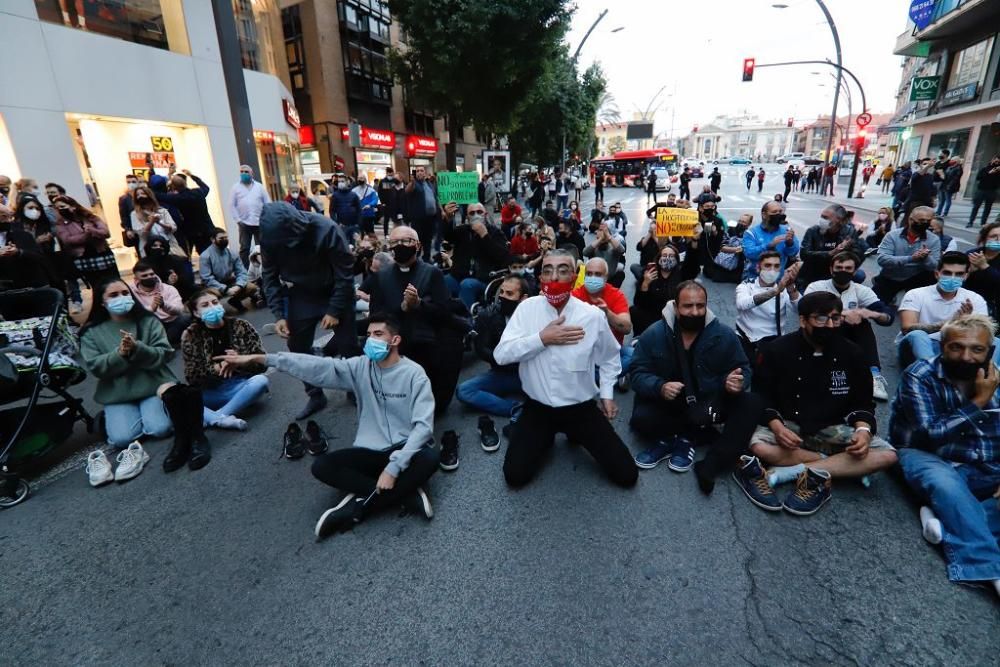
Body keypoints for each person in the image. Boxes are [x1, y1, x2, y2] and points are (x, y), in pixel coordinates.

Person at [215, 313, 440, 538]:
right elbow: (316, 366)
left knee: (430, 458)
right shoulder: (360, 367)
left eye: (378, 334)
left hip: (405, 449)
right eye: (369, 334)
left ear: (395, 340)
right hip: (370, 450)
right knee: (321, 466)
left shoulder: (414, 374)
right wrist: (260, 358)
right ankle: (407, 496)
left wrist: (393, 468)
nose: (371, 339)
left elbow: (423, 428)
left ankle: (357, 508)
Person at [741, 291, 897, 514]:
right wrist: (776, 426)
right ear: (803, 320)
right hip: (789, 424)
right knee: (758, 447)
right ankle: (838, 465)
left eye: (836, 318)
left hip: (831, 427)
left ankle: (792, 471)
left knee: (887, 455)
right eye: (821, 318)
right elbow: (762, 396)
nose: (830, 325)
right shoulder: (777, 350)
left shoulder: (853, 353)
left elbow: (863, 403)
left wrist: (863, 432)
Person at [493, 249, 637, 489]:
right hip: (538, 408)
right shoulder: (527, 309)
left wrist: (607, 394)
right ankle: (545, 438)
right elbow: (501, 355)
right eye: (547, 270)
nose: (554, 277)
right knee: (514, 476)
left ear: (573, 277)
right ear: (540, 278)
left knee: (627, 475)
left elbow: (611, 357)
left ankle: (574, 433)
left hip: (580, 408)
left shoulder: (591, 316)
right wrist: (541, 338)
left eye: (562, 270)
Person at [889, 313, 1000, 598]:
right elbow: (929, 434)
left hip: (982, 462)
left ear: (990, 351)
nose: (966, 357)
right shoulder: (920, 375)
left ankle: (945, 518)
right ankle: (990, 568)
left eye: (977, 349)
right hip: (926, 455)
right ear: (942, 347)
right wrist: (979, 401)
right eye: (956, 347)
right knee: (946, 485)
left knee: (959, 498)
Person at [630, 281, 763, 493]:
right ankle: (689, 436)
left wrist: (736, 383)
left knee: (752, 402)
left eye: (700, 306)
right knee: (641, 420)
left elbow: (743, 369)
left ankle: (710, 463)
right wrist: (660, 386)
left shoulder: (724, 335)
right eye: (688, 306)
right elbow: (636, 373)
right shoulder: (654, 334)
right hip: (669, 403)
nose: (695, 312)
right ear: (675, 307)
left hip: (708, 403)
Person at [79, 278, 210, 475]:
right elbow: (96, 367)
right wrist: (120, 354)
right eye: (113, 295)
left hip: (153, 385)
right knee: (123, 439)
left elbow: (165, 354)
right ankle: (114, 417)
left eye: (125, 293)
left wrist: (138, 348)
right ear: (101, 302)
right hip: (118, 392)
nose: (121, 298)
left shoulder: (148, 321)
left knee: (160, 429)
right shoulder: (91, 332)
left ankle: (169, 426)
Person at [260, 202, 358, 420]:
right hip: (302, 294)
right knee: (297, 346)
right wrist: (279, 315)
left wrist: (334, 310)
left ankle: (355, 388)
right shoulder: (269, 238)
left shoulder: (327, 229)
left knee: (348, 344)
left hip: (334, 290)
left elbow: (345, 275)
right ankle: (315, 394)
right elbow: (269, 277)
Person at [363, 225, 462, 419]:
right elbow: (376, 314)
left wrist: (418, 304)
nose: (400, 245)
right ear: (389, 246)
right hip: (396, 339)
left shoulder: (432, 273)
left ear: (416, 245)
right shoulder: (382, 276)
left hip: (427, 338)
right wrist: (400, 311)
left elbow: (444, 312)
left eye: (406, 241)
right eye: (395, 242)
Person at [805, 251, 895, 401]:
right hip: (819, 335)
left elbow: (887, 316)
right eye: (839, 267)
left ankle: (874, 375)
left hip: (848, 338)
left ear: (854, 271)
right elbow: (807, 310)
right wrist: (845, 314)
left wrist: (872, 314)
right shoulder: (817, 287)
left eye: (848, 268)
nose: (843, 271)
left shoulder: (861, 291)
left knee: (863, 323)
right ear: (831, 269)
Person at [181, 288, 270, 431]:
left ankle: (215, 417)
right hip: (211, 391)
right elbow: (192, 376)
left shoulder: (241, 325)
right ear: (196, 313)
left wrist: (240, 361)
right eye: (205, 305)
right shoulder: (191, 334)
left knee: (261, 381)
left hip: (239, 386)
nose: (212, 307)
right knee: (180, 396)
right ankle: (221, 418)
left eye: (215, 302)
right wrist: (215, 369)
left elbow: (262, 363)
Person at [896, 251, 996, 367]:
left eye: (959, 274)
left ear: (965, 276)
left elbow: (984, 333)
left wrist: (969, 323)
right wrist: (952, 323)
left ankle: (989, 376)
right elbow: (907, 328)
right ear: (937, 274)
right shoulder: (916, 294)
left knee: (996, 341)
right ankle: (930, 375)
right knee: (917, 335)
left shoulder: (975, 299)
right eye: (947, 273)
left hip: (956, 347)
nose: (952, 278)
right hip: (921, 344)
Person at [456, 276, 528, 428]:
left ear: (522, 299)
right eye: (501, 292)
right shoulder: (489, 314)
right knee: (465, 391)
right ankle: (516, 408)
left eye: (509, 294)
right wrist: (504, 359)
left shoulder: (533, 316)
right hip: (501, 372)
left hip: (528, 373)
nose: (502, 296)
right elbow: (482, 350)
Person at [440, 201, 510, 309]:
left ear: (485, 215)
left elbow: (503, 257)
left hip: (483, 279)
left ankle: (465, 320)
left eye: (479, 212)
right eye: (472, 213)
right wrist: (448, 218)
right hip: (459, 276)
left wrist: (484, 236)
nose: (476, 215)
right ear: (467, 217)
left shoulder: (495, 233)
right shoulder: (463, 230)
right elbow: (447, 235)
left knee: (467, 284)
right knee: (443, 280)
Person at [573, 257, 633, 380]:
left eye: (598, 274)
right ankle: (608, 376)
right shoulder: (576, 295)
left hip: (610, 351)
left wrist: (607, 312)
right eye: (589, 274)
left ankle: (594, 376)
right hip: (585, 351)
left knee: (635, 356)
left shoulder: (616, 295)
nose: (593, 277)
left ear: (606, 277)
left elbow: (626, 327)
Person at [734, 252, 801, 364]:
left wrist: (791, 289)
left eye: (776, 266)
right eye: (767, 265)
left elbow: (801, 309)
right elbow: (742, 304)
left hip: (772, 341)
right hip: (746, 338)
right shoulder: (746, 286)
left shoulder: (784, 290)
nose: (772, 270)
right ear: (758, 268)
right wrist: (775, 291)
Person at [873, 205, 940, 305]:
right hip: (891, 276)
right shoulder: (892, 236)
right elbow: (882, 260)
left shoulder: (933, 239)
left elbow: (934, 266)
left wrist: (926, 258)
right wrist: (910, 258)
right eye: (921, 220)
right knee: (875, 306)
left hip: (916, 277)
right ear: (910, 220)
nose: (924, 223)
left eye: (928, 221)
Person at [631, 243, 700, 336]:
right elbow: (638, 302)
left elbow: (692, 264)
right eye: (664, 255)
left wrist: (694, 243)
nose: (667, 258)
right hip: (654, 316)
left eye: (671, 256)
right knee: (634, 310)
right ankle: (641, 337)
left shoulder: (682, 274)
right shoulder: (650, 273)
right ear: (659, 258)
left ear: (676, 259)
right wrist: (645, 284)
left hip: (675, 316)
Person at [51, 194, 119, 289]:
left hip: (102, 253)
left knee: (115, 281)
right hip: (84, 257)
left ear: (73, 206)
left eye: (62, 206)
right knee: (97, 286)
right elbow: (67, 240)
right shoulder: (60, 224)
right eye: (57, 208)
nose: (60, 209)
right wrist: (86, 235)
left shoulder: (91, 217)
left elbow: (106, 232)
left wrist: (92, 230)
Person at [797, 204, 866, 288]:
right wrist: (830, 253)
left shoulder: (849, 232)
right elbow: (804, 254)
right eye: (821, 217)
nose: (822, 220)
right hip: (814, 269)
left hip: (836, 269)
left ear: (839, 220)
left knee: (859, 275)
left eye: (825, 218)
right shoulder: (813, 231)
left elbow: (857, 256)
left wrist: (846, 251)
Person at [129, 261, 190, 346]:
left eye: (151, 274)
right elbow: (132, 313)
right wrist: (151, 309)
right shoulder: (131, 292)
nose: (149, 277)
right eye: (144, 276)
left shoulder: (168, 289)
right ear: (136, 279)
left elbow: (179, 310)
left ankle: (163, 342)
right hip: (150, 325)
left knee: (185, 317)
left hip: (171, 322)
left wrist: (164, 305)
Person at [158, 170, 215, 254]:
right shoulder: (198, 193)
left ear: (173, 187)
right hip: (207, 228)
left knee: (191, 253)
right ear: (185, 183)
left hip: (192, 231)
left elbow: (160, 196)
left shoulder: (178, 198)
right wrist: (191, 175)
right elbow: (205, 187)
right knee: (211, 252)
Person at [741, 201, 800, 282]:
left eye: (780, 211)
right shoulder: (751, 233)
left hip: (778, 281)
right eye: (774, 212)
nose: (778, 214)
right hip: (755, 280)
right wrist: (769, 245)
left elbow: (793, 253)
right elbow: (749, 253)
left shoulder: (786, 229)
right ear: (764, 215)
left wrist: (790, 243)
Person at [229, 165, 270, 267]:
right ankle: (245, 270)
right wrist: (238, 220)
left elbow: (268, 203)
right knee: (244, 248)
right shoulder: (235, 188)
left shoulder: (259, 187)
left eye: (246, 172)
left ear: (252, 174)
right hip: (244, 223)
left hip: (259, 222)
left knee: (262, 246)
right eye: (242, 172)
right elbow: (231, 205)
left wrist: (266, 218)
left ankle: (263, 268)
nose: (244, 174)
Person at [130, 184, 185, 258]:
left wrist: (160, 223)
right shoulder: (134, 214)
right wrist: (151, 222)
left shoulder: (162, 211)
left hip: (170, 247)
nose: (140, 196)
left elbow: (173, 228)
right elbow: (141, 233)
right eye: (138, 195)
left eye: (143, 194)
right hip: (149, 250)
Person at [965, 221, 1000, 319]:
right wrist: (970, 271)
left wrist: (985, 267)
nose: (998, 239)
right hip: (968, 300)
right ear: (984, 238)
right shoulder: (972, 254)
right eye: (994, 236)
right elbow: (957, 279)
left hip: (993, 305)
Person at [404, 166, 439, 261]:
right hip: (418, 219)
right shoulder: (414, 184)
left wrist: (441, 211)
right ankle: (415, 259)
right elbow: (407, 191)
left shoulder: (429, 184)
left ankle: (427, 258)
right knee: (418, 240)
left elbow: (435, 198)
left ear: (425, 173)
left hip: (430, 218)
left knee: (428, 239)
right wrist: (412, 181)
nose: (419, 172)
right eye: (417, 171)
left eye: (421, 171)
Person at [583, 221, 626, 288]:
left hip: (609, 279)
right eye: (599, 230)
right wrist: (600, 239)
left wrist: (608, 236)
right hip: (595, 278)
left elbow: (622, 250)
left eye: (602, 230)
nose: (599, 232)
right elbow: (585, 252)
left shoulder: (612, 246)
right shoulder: (595, 245)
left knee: (621, 274)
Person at [967, 155, 1000, 229]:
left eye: (998, 162)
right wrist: (989, 173)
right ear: (992, 160)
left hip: (992, 191)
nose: (996, 163)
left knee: (987, 208)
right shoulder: (985, 168)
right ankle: (970, 222)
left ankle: (983, 223)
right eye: (996, 161)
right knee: (976, 207)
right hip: (981, 190)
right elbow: (978, 177)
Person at [378, 167, 403, 236]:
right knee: (388, 219)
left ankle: (389, 233)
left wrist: (382, 202)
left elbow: (380, 192)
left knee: (393, 219)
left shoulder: (392, 181)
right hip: (388, 203)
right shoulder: (383, 181)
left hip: (391, 203)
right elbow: (380, 192)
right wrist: (383, 202)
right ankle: (387, 233)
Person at [118, 173, 140, 250]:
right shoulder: (124, 199)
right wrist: (128, 229)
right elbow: (124, 216)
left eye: (133, 182)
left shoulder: (143, 195)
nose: (131, 184)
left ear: (138, 183)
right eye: (128, 182)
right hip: (135, 229)